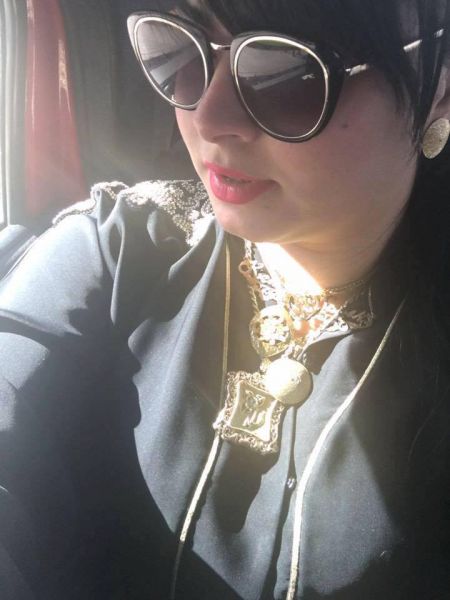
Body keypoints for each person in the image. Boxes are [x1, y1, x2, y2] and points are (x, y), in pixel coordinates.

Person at [1, 0, 450, 598]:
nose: (207, 117)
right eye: (178, 53)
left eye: (284, 73)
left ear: (438, 91)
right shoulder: (117, 251)